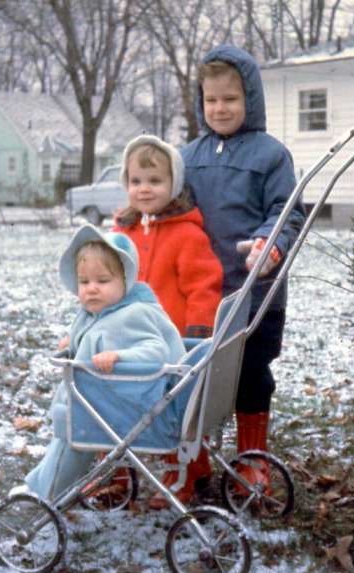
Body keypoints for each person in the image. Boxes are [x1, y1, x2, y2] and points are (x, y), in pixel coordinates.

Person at [181, 45, 306, 489]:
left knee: (252, 373)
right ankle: (190, 458)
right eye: (211, 99)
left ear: (250, 100)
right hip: (200, 296)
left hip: (256, 294)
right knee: (194, 379)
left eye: (230, 99)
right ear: (200, 100)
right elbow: (174, 209)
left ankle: (252, 460)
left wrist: (270, 246)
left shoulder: (271, 155)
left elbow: (287, 210)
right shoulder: (187, 156)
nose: (220, 108)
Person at [11, 225, 186, 502]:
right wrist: (74, 342)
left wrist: (120, 356)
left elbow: (156, 351)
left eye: (103, 281)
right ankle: (44, 485)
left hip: (140, 408)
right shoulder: (100, 312)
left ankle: (50, 494)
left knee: (72, 437)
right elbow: (97, 332)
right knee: (68, 435)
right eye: (84, 282)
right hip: (110, 400)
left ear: (125, 280)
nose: (92, 289)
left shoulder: (134, 314)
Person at [114, 134, 223, 508]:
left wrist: (197, 333)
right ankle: (110, 471)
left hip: (172, 343)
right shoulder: (120, 235)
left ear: (173, 184)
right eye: (135, 181)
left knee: (176, 414)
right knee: (109, 400)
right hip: (127, 342)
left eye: (155, 181)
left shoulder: (187, 235)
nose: (144, 189)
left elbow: (203, 286)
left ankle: (191, 472)